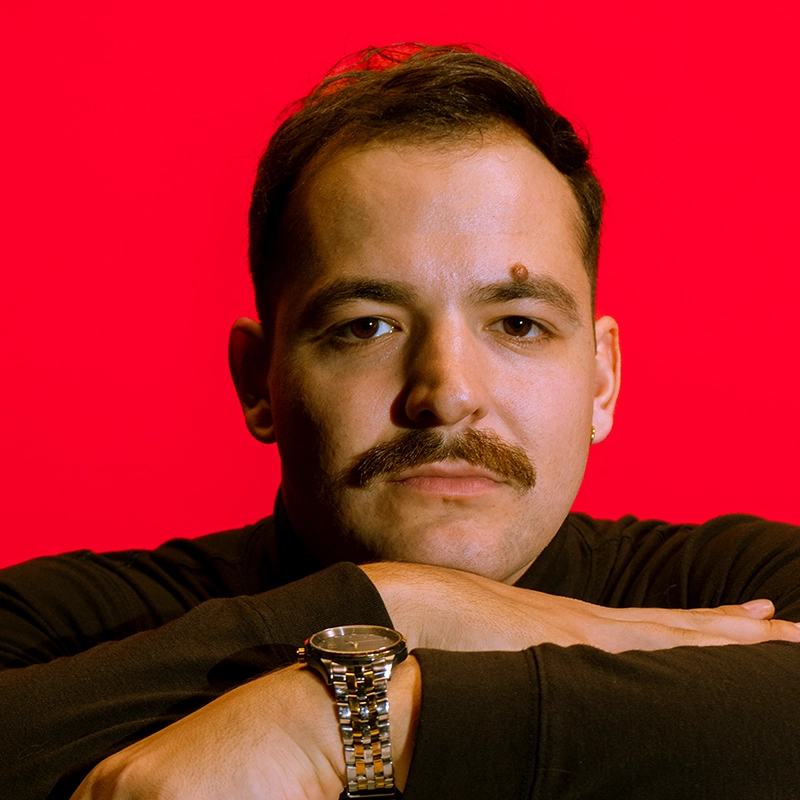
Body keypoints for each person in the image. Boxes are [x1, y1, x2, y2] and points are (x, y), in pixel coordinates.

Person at [2, 44, 800, 800]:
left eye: (518, 324)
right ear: (258, 381)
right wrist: (399, 605)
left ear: (601, 379)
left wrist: (339, 722)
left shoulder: (739, 594)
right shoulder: (56, 628)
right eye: (366, 325)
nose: (445, 394)